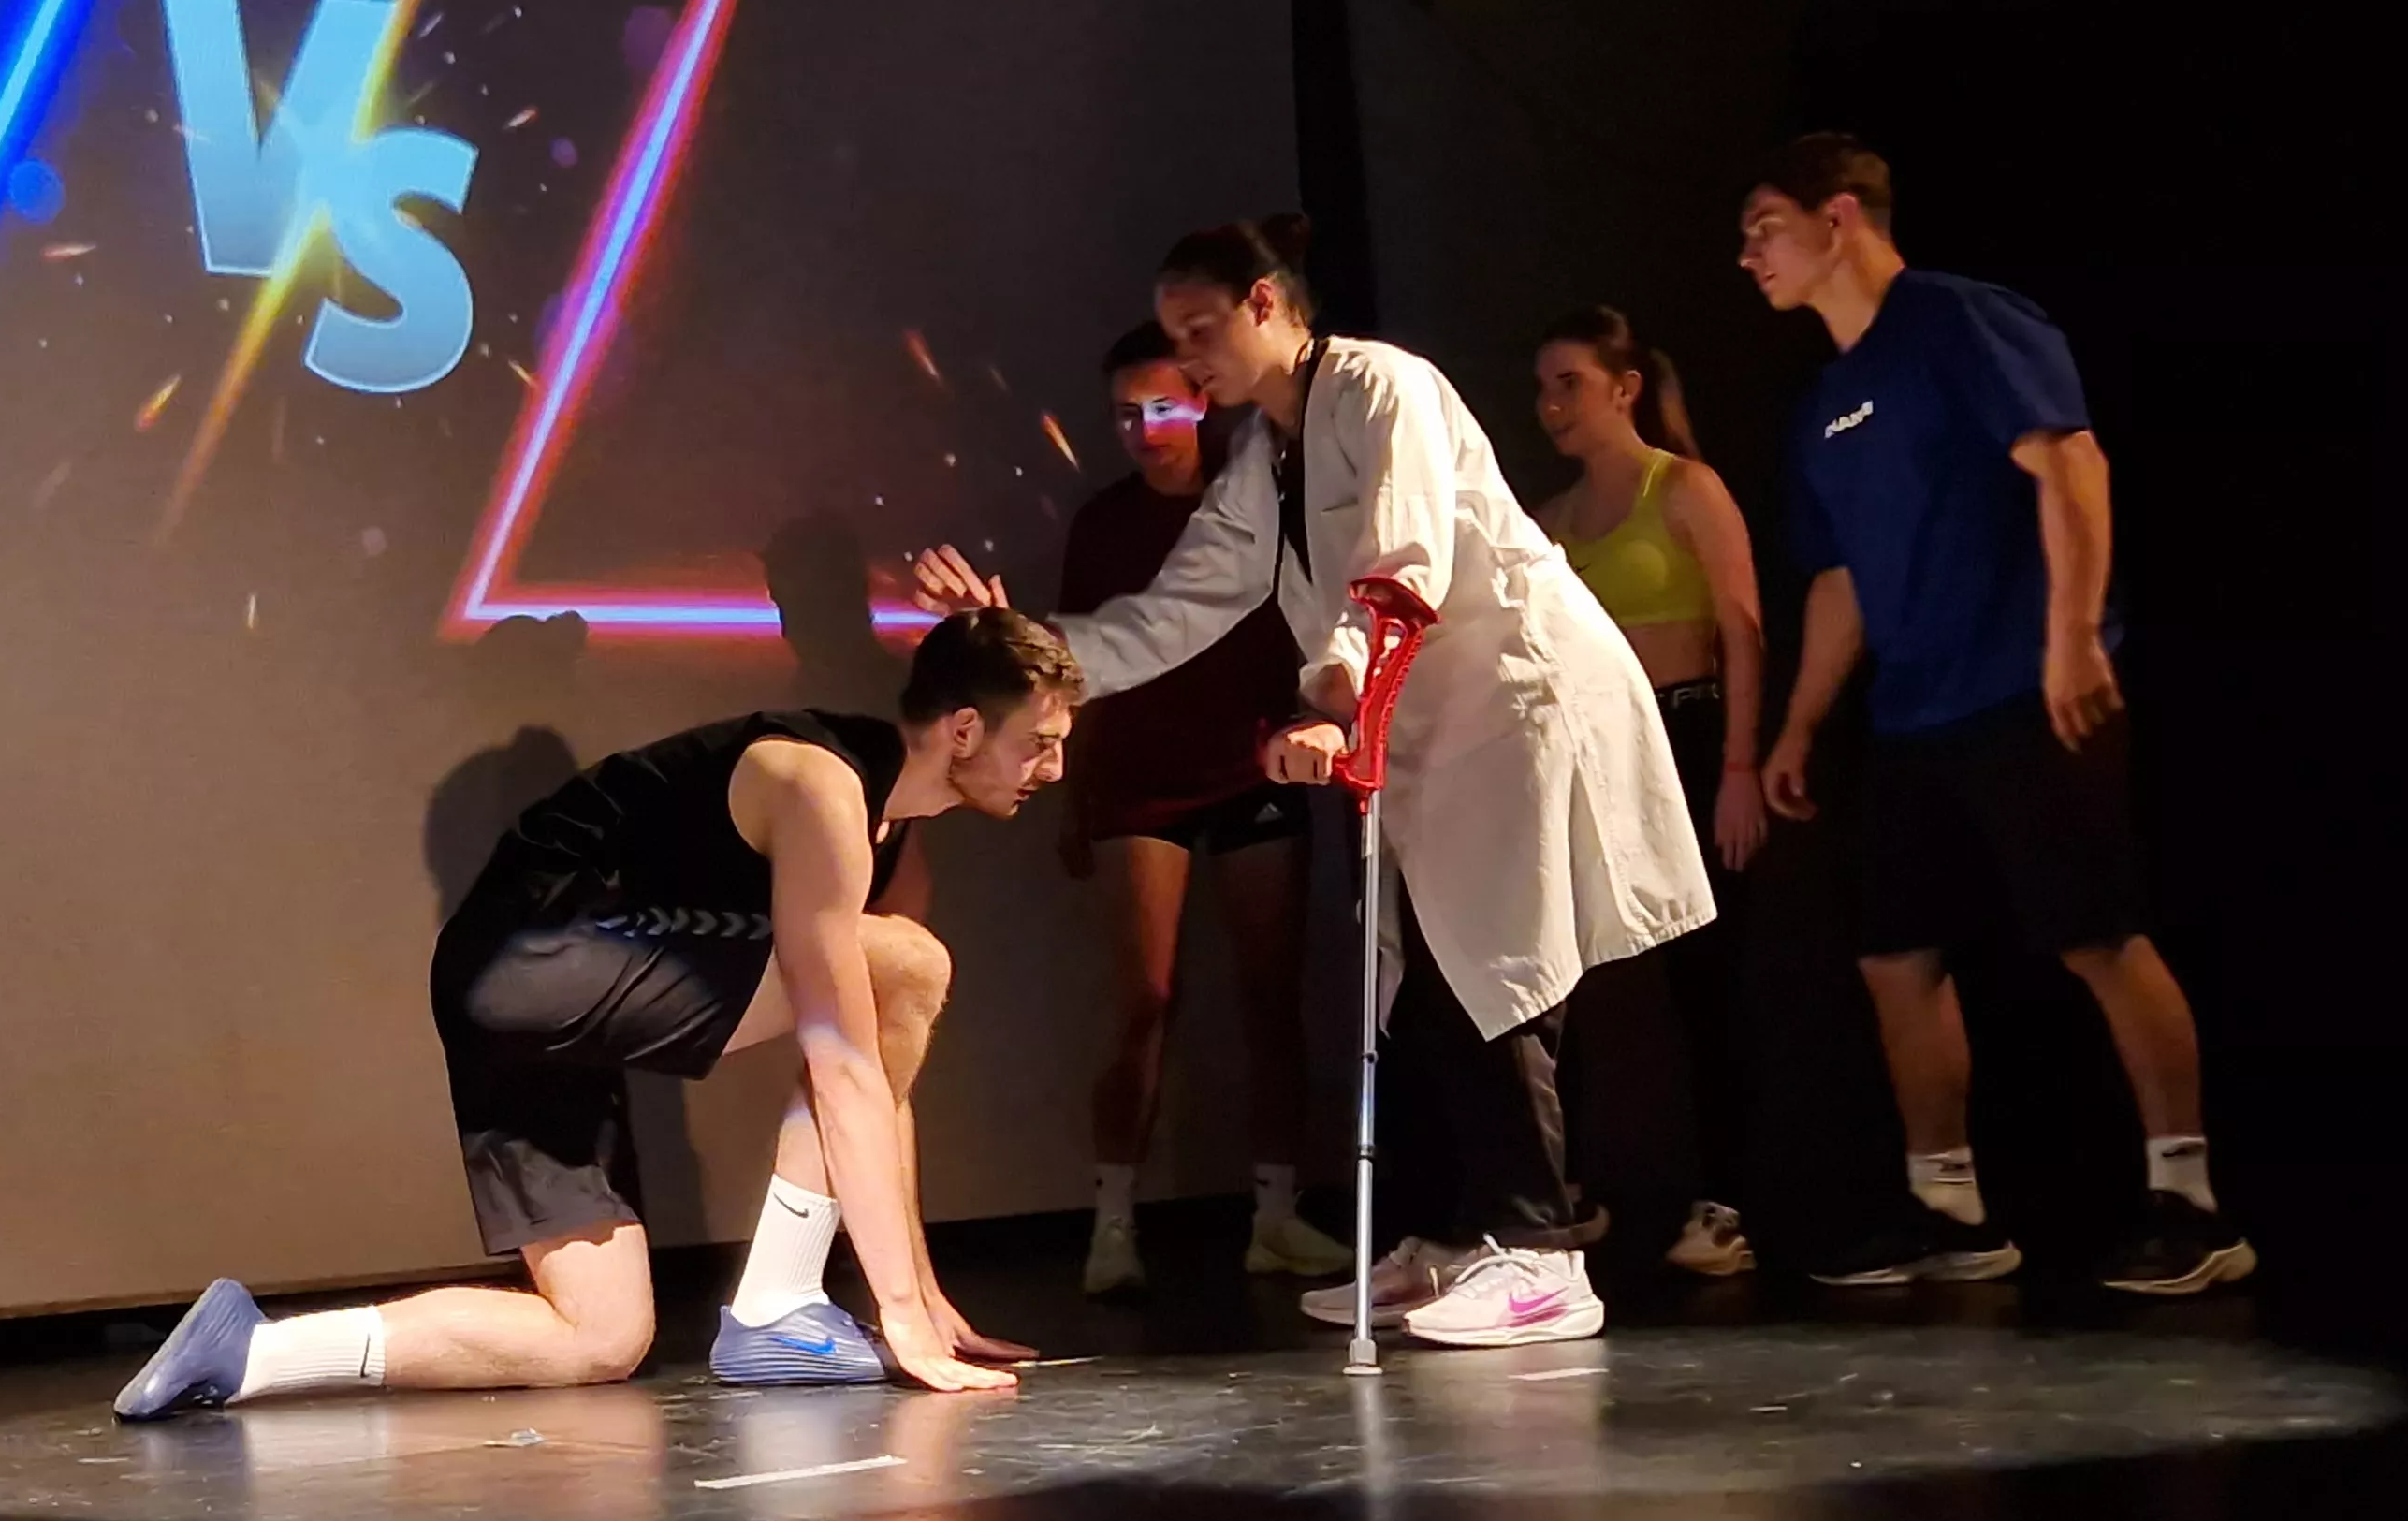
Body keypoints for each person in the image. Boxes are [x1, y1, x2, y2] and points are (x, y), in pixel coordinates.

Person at [915, 217, 1712, 1349]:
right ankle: (1440, 1241)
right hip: (1427, 727)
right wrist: (1022, 648)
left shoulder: (1386, 388)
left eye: (1201, 328)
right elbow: (1180, 606)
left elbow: (1399, 568)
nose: (1187, 358)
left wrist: (1334, 702)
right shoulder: (1262, 457)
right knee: (1415, 986)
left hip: (1514, 705)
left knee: (1495, 967)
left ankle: (1540, 1257)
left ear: (1264, 305)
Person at [114, 611, 1079, 1420]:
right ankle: (780, 1300)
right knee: (906, 964)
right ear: (960, 730)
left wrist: (922, 1289)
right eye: (1039, 741)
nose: (1054, 768)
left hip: (504, 990)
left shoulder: (880, 812)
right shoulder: (821, 783)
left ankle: (248, 1351)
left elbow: (878, 1062)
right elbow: (844, 1062)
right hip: (543, 954)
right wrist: (898, 1312)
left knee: (599, 1336)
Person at [1740, 134, 2247, 1295]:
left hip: (2028, 687)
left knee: (2094, 934)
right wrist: (1799, 725)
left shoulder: (1957, 320)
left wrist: (2069, 637)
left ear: (1841, 218)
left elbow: (2069, 464)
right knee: (1892, 954)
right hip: (1914, 713)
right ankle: (1947, 1208)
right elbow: (1839, 581)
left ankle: (2193, 1199)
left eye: (1765, 226)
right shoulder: (1823, 400)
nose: (1748, 254)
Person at [1056, 325, 1342, 1294]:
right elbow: (1078, 668)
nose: (1145, 428)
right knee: (1146, 1002)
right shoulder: (1101, 524)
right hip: (1140, 785)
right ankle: (1111, 1225)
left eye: (1165, 405)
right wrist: (1072, 795)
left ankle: (1275, 1214)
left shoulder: (1262, 500)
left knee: (1270, 998)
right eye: (1126, 413)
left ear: (1204, 401)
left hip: (1254, 770)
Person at [1530, 308, 1772, 1276]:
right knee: (1579, 976)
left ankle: (1728, 1204)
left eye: (1569, 383)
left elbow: (1742, 629)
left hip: (1693, 731)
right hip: (1599, 753)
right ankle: (1572, 1188)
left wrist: (1741, 766)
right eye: (1541, 387)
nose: (1550, 404)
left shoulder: (1686, 488)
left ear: (1624, 387)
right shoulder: (1548, 520)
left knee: (1709, 979)